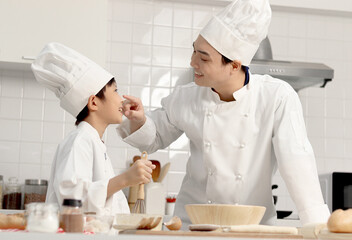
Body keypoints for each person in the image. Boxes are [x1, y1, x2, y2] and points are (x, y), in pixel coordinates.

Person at [117, 0, 330, 226]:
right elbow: (155, 136)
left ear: (235, 65)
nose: (193, 62)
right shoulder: (186, 96)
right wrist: (140, 119)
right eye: (194, 51)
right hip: (193, 224)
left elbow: (296, 161)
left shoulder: (276, 97)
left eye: (203, 57)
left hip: (251, 227)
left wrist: (318, 227)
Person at [31, 43, 155, 214]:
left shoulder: (94, 141)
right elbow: (71, 199)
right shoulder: (79, 141)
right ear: (94, 102)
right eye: (116, 91)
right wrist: (126, 178)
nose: (121, 100)